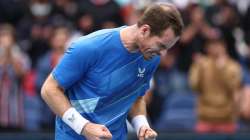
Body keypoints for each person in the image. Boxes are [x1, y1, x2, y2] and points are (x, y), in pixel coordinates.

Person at [41, 3, 184, 140]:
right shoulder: (89, 47)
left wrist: (142, 125)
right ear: (145, 30)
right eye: (161, 45)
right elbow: (49, 89)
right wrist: (84, 127)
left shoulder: (151, 57)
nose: (163, 54)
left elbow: (136, 97)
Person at [189, 38, 242, 133]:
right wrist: (199, 69)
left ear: (224, 47)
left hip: (226, 118)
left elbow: (233, 87)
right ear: (207, 47)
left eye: (219, 45)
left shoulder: (233, 66)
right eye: (212, 45)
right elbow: (193, 86)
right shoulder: (201, 64)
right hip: (205, 117)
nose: (215, 48)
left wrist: (223, 69)